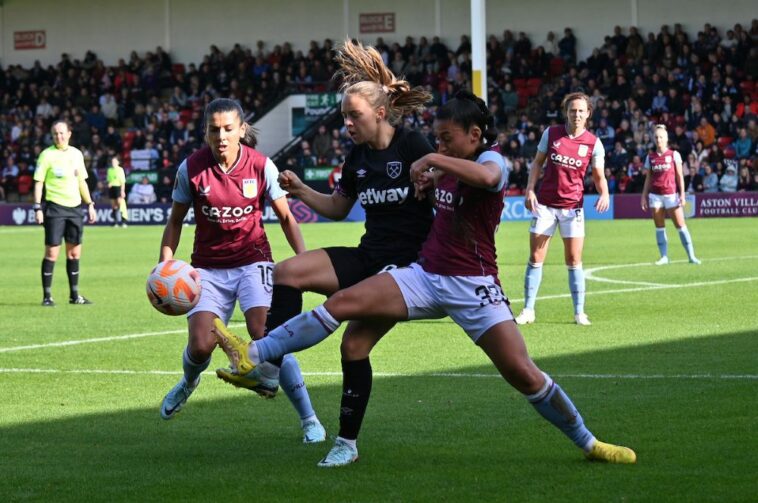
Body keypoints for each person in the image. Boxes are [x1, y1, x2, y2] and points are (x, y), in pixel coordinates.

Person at [212, 92, 636, 467]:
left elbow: (489, 179)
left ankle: (589, 442)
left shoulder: (490, 159)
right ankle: (257, 356)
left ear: (473, 134)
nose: (439, 144)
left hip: (475, 287)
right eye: (436, 139)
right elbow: (415, 193)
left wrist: (432, 162)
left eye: (447, 138)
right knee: (341, 308)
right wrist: (428, 180)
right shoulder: (434, 164)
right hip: (425, 274)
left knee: (523, 373)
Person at [213, 39, 436, 443]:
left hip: (405, 271)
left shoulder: (413, 146)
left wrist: (433, 182)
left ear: (381, 113)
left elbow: (441, 194)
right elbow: (337, 207)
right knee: (287, 272)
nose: (347, 124)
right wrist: (299, 190)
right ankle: (268, 368)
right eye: (344, 117)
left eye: (355, 116)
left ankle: (345, 443)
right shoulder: (358, 158)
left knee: (353, 345)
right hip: (370, 258)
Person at [158, 98, 326, 444]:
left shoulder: (261, 166)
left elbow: (286, 217)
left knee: (267, 334)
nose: (221, 136)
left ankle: (309, 418)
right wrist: (166, 264)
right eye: (214, 129)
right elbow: (175, 220)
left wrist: (305, 262)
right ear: (205, 132)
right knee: (201, 345)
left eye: (228, 129)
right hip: (208, 268)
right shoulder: (190, 168)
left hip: (254, 261)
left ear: (241, 130)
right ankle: (189, 381)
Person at [514, 92, 610, 327]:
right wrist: (530, 189)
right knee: (536, 257)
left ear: (588, 114)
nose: (576, 114)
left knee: (574, 259)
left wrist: (604, 193)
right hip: (545, 206)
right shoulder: (551, 133)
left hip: (572, 209)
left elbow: (599, 176)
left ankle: (579, 312)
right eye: (572, 110)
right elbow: (537, 163)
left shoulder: (594, 143)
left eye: (581, 111)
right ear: (566, 112)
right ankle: (528, 310)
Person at [33, 120, 97, 307]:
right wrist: (37, 207)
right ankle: (47, 296)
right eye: (55, 134)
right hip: (54, 208)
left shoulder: (77, 154)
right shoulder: (46, 155)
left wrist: (90, 204)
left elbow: (82, 182)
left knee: (74, 254)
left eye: (62, 133)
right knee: (52, 253)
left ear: (69, 133)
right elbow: (39, 182)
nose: (59, 137)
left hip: (75, 208)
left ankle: (75, 295)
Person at [640, 125, 701, 265]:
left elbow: (680, 176)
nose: (658, 140)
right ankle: (664, 257)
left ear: (666, 139)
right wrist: (644, 196)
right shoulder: (650, 157)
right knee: (659, 227)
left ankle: (691, 256)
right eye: (656, 137)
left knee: (680, 225)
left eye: (661, 137)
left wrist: (682, 195)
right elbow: (648, 178)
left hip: (671, 195)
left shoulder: (674, 155)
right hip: (655, 196)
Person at [106, 155, 127, 227]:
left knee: (120, 204)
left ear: (118, 162)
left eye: (114, 161)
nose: (113, 163)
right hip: (112, 189)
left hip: (118, 188)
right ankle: (115, 222)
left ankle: (123, 222)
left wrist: (122, 191)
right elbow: (109, 180)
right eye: (112, 162)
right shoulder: (109, 170)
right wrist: (109, 183)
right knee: (113, 206)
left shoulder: (120, 170)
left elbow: (123, 182)